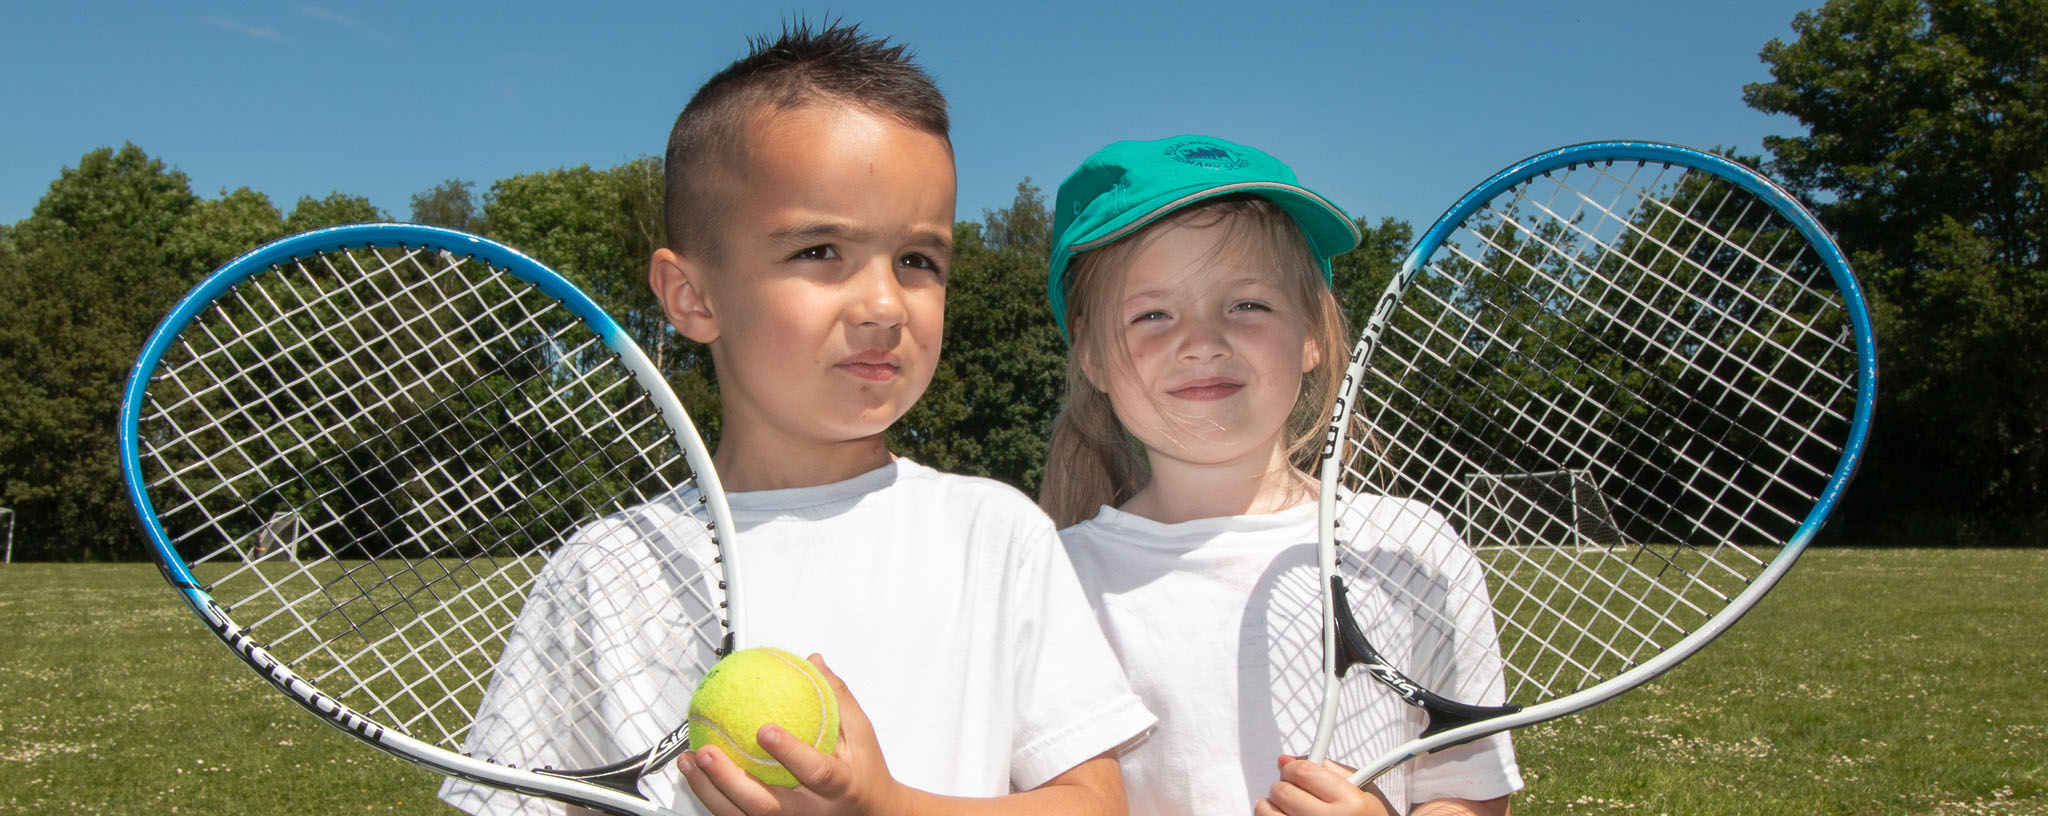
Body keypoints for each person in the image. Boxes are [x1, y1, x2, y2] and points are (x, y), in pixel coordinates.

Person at [440, 22, 1153, 816]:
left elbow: (1094, 801)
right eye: (820, 251)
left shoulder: (992, 534)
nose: (885, 304)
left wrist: (885, 806)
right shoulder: (607, 569)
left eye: (919, 260)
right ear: (692, 298)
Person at [1038, 135, 1523, 816]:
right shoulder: (1050, 581)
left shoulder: (1412, 547)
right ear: (1089, 353)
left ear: (1313, 333)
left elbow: (1468, 795)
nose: (1202, 340)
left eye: (1247, 305)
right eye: (1152, 313)